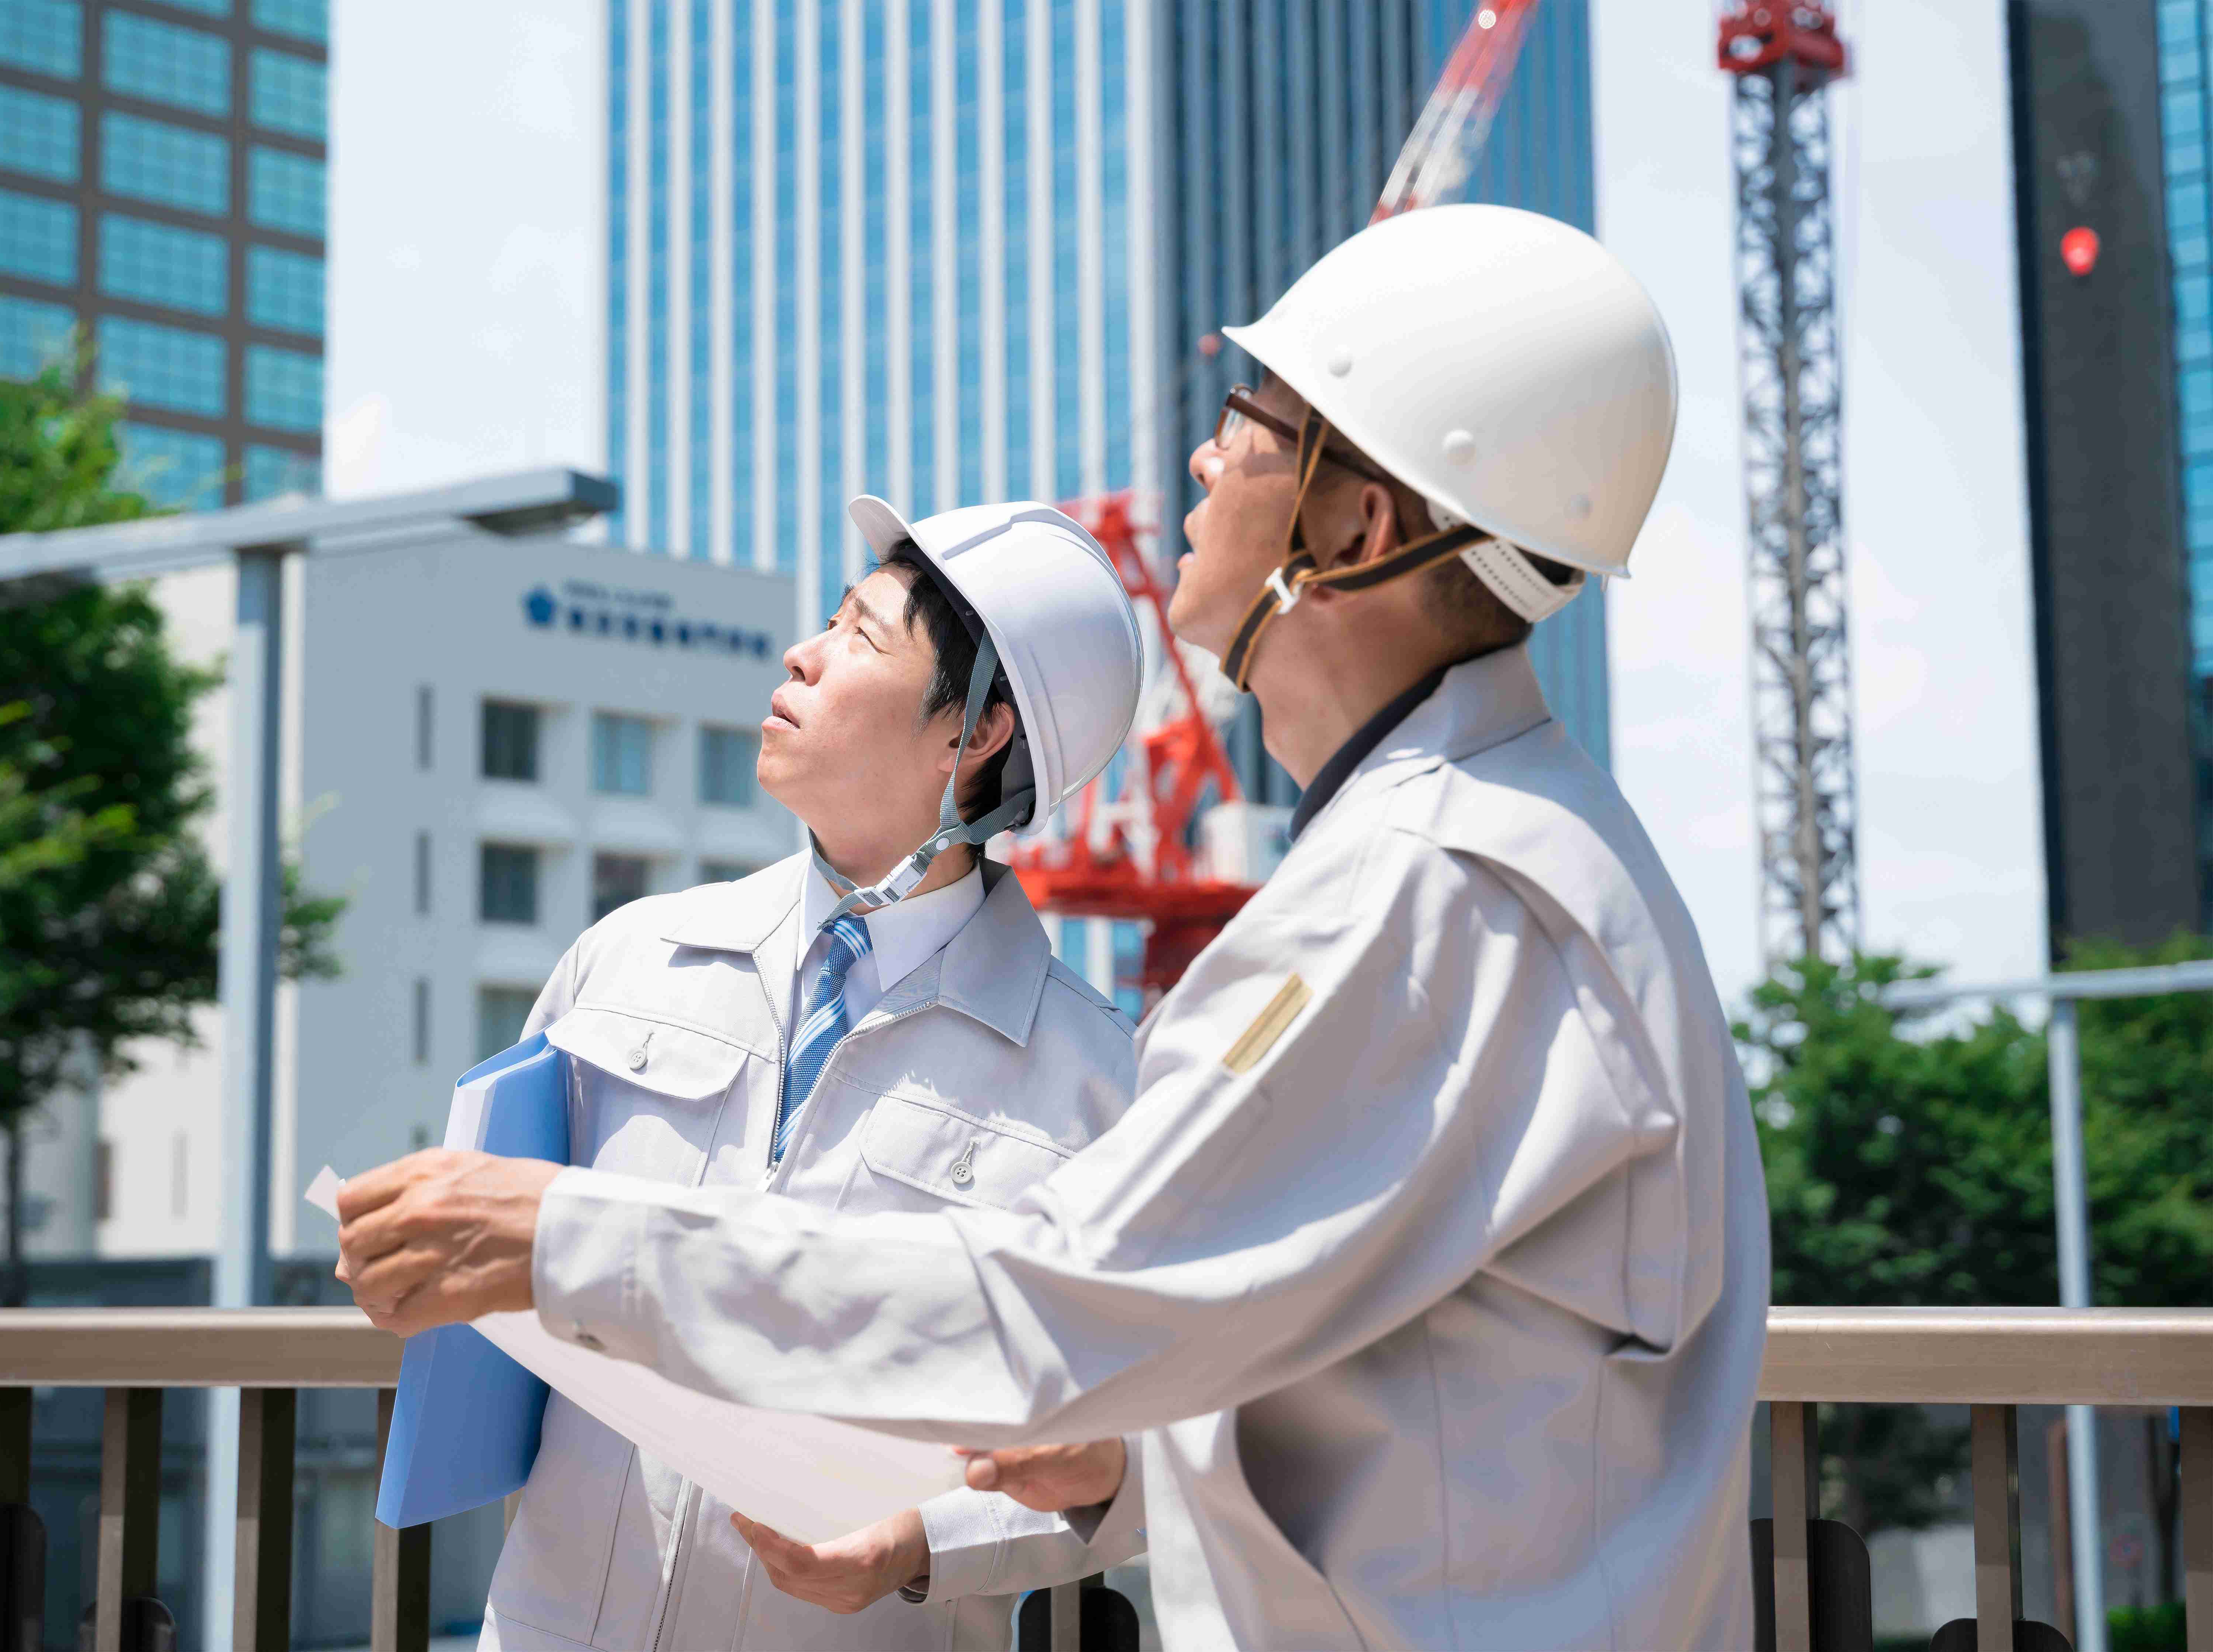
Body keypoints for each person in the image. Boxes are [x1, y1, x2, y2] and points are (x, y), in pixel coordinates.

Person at [339, 204, 1770, 1651]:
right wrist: (1118, 1457)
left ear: (1354, 527)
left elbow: (1057, 1305)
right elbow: (1308, 1360)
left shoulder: (1424, 897)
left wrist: (575, 1240)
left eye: (1248, 418)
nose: (1202, 461)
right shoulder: (1487, 856)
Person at [381, 499, 1150, 1652]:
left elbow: (1129, 1462)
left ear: (977, 735)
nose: (802, 653)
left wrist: (924, 1544)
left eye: (859, 635)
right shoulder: (629, 956)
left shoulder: (1097, 1085)